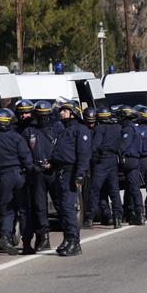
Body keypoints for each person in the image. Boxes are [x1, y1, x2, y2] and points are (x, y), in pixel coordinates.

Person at [0, 108, 35, 255]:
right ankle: (26, 244)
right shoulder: (16, 137)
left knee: (7, 210)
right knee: (24, 210)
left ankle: (5, 236)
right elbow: (26, 158)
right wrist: (32, 172)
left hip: (1, 177)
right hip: (18, 175)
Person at [49, 101, 91, 256]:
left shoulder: (81, 130)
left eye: (64, 111)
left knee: (68, 207)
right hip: (59, 172)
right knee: (61, 208)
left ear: (73, 112)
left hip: (71, 172)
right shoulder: (63, 130)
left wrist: (80, 173)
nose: (61, 113)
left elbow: (84, 154)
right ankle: (67, 238)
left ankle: (74, 242)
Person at [21, 100, 64, 252]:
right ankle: (44, 237)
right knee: (40, 206)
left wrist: (53, 163)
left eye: (45, 116)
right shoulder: (29, 131)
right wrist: (33, 166)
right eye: (40, 115)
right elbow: (25, 152)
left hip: (53, 171)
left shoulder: (57, 129)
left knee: (61, 204)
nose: (42, 119)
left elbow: (62, 148)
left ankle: (69, 235)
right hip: (37, 173)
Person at [83, 107, 123, 229]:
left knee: (94, 190)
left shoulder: (100, 129)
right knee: (114, 192)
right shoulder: (118, 128)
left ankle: (89, 219)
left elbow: (95, 146)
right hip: (113, 161)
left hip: (101, 161)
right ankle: (117, 219)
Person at [118, 105, 145, 226]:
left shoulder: (128, 129)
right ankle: (131, 213)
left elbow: (123, 145)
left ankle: (139, 214)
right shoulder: (135, 128)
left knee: (134, 188)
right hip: (134, 160)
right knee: (131, 188)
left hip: (130, 160)